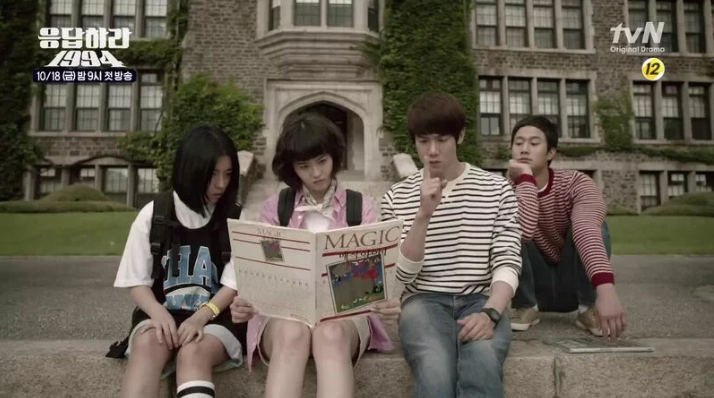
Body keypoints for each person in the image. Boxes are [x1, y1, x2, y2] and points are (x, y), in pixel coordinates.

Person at [229, 112, 400, 398]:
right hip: (284, 317)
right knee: (292, 333)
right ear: (292, 168)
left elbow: (374, 278)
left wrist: (384, 299)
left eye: (322, 161)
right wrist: (248, 302)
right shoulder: (276, 209)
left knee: (329, 333)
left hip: (343, 320)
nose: (316, 172)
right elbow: (266, 273)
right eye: (304, 166)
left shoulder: (360, 208)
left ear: (334, 156)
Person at [380, 92, 522, 398]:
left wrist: (491, 313)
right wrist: (422, 216)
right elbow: (399, 279)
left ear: (460, 136)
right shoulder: (396, 196)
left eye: (442, 139)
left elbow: (507, 260)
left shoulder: (496, 189)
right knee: (435, 369)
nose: (432, 151)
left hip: (481, 299)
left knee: (482, 363)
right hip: (423, 302)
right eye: (423, 141)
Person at [112, 126, 247, 398]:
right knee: (149, 344)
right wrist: (158, 313)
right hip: (161, 312)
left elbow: (232, 286)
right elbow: (136, 282)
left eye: (228, 174)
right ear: (191, 171)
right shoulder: (155, 214)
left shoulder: (235, 218)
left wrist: (201, 317)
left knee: (193, 351)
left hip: (216, 318)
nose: (221, 184)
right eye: (212, 175)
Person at [507, 115, 627, 341]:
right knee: (510, 228)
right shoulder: (503, 190)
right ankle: (526, 306)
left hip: (574, 281)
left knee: (595, 226)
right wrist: (524, 180)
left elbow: (586, 230)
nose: (524, 149)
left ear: (551, 152)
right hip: (534, 285)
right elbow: (522, 231)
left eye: (534, 143)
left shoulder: (576, 183)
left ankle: (587, 308)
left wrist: (606, 288)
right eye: (518, 143)